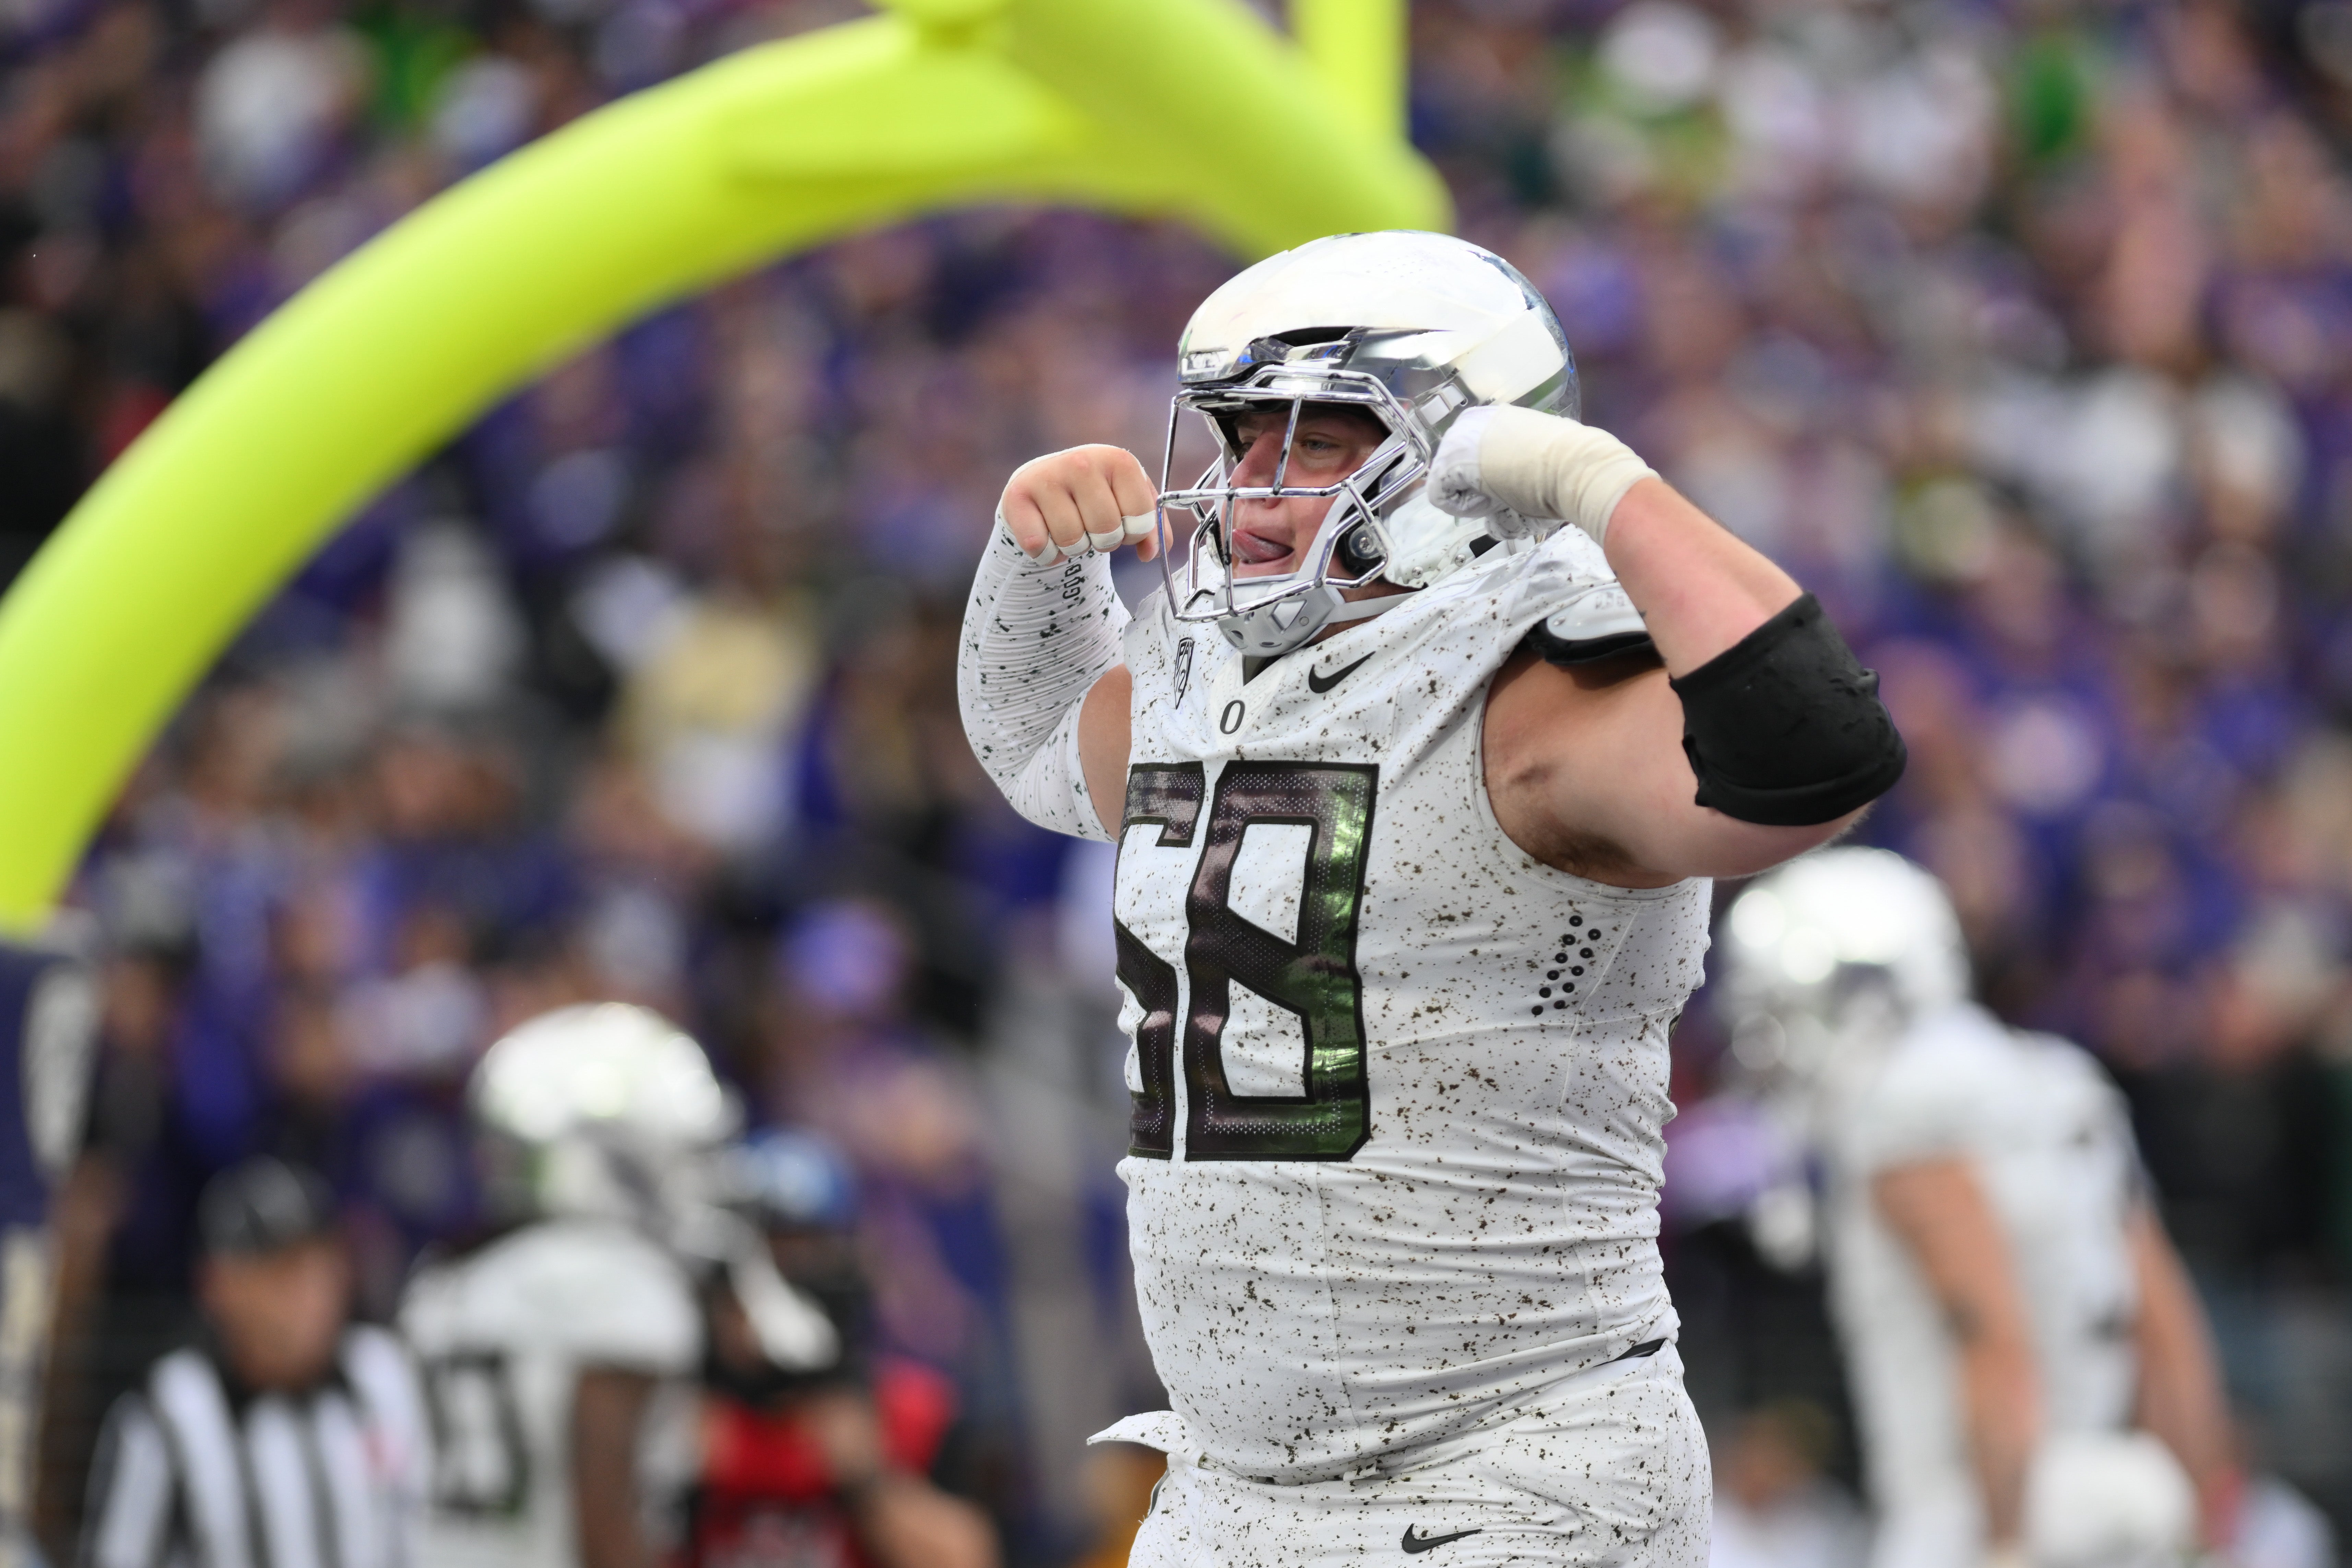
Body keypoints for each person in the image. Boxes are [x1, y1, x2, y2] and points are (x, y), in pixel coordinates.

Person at [956, 229, 1907, 1564]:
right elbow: (1043, 745)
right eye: (1239, 441)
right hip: (1229, 1484)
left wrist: (1596, 484)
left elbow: (1819, 756)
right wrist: (1035, 560)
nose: (1254, 488)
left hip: (1510, 1474)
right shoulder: (1212, 666)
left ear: (1466, 446)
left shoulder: (1536, 684)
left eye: (1317, 439)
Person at [1716, 849, 2242, 1568]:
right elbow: (2163, 1324)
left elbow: (1987, 1331)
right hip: (2115, 1500)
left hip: (1979, 1510)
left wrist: (2003, 1542)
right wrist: (2204, 1527)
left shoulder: (1902, 1101)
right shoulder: (2055, 1075)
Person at [400, 1003, 836, 1568]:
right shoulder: (626, 1289)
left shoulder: (446, 1283)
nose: (692, 1174)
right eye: (675, 1153)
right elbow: (602, 1514)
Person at [79, 1156, 429, 1568]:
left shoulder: (382, 1373)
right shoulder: (168, 1412)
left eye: (324, 1262)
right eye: (283, 1271)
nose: (312, 1291)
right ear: (217, 1285)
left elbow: (427, 1530)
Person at [685, 1128, 997, 1568]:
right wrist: (675, 1482)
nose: (785, 1284)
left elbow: (969, 1556)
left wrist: (868, 1482)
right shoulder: (676, 1421)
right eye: (768, 1255)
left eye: (805, 1253)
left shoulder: (910, 1413)